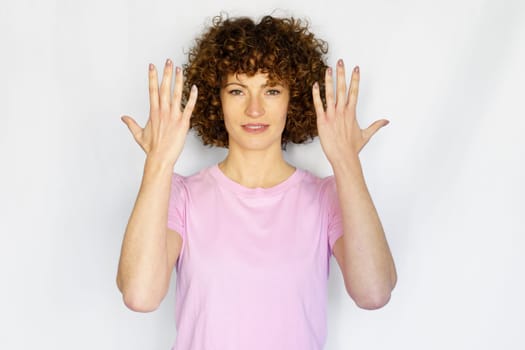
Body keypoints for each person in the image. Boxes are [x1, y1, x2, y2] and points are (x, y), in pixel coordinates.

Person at [116, 14, 397, 350]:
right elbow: (140, 295)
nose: (254, 109)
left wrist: (346, 161)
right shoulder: (181, 195)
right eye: (237, 90)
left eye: (272, 90)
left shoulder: (326, 197)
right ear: (215, 99)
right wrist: (158, 161)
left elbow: (374, 292)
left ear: (292, 99)